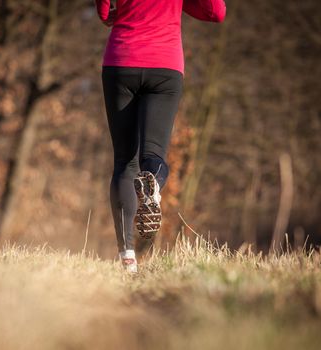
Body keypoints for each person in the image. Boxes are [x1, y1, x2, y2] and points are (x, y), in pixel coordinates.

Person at [94, 0, 226, 273]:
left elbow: (105, 11)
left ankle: (127, 257)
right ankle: (152, 182)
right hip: (165, 67)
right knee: (152, 155)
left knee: (124, 162)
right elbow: (216, 11)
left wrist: (112, 15)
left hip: (122, 60)